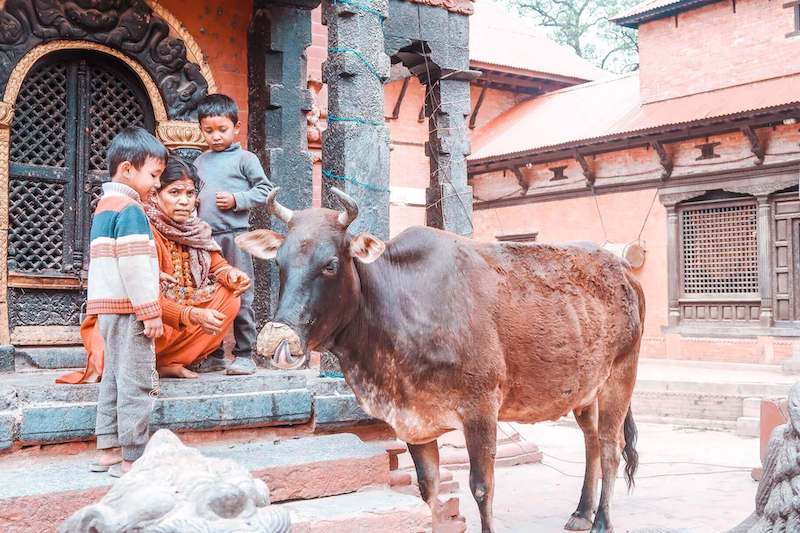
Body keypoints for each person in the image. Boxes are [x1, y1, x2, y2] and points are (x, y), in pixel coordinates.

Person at [59, 156, 251, 385]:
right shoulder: (141, 224)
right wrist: (192, 314)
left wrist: (231, 275)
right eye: (175, 193)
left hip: (172, 319)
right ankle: (148, 362)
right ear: (156, 194)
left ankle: (166, 362)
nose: (184, 201)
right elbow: (140, 291)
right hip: (143, 316)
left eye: (190, 194)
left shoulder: (194, 229)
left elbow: (216, 263)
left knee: (230, 296)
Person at [85, 127, 167, 477]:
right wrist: (150, 311)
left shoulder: (105, 206)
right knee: (136, 381)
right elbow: (133, 264)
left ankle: (106, 448)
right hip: (131, 310)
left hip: (107, 308)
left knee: (114, 379)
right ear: (128, 170)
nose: (157, 185)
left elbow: (115, 260)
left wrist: (154, 275)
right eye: (154, 175)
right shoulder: (131, 209)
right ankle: (133, 458)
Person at [193, 93, 273, 375]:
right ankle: (213, 353)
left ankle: (244, 354)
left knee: (242, 293)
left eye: (222, 130)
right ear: (201, 129)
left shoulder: (245, 159)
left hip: (235, 237)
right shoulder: (200, 162)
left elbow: (265, 190)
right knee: (206, 295)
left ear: (236, 127)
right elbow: (193, 192)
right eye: (209, 131)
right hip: (204, 240)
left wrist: (238, 199)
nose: (215, 136)